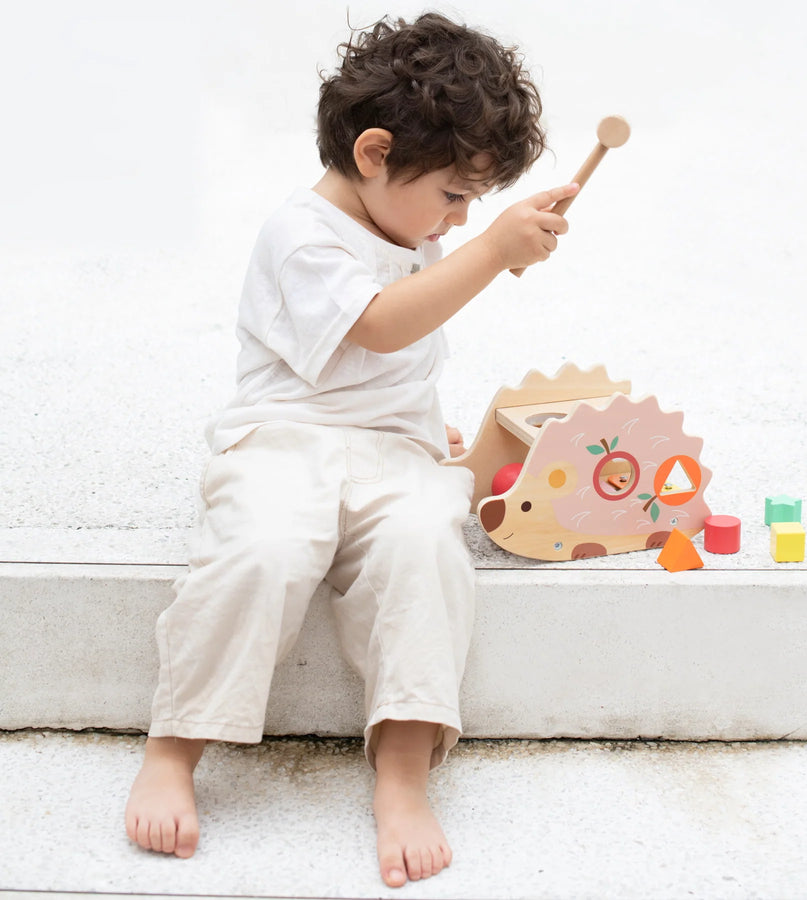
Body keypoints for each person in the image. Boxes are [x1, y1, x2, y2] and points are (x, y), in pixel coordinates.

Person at [124, 11, 577, 888]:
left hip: (392, 449)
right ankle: (174, 747)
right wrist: (490, 251)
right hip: (281, 439)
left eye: (473, 203)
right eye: (453, 193)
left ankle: (403, 772)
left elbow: (402, 356)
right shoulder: (302, 235)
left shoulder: (419, 229)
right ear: (373, 154)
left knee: (422, 552)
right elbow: (375, 327)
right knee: (261, 548)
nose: (460, 217)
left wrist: (417, 417)